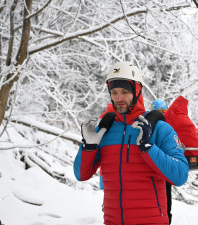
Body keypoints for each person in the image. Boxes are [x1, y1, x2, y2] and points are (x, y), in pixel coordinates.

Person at [73, 61, 189, 225]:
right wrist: (89, 147)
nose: (118, 98)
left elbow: (180, 175)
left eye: (125, 92)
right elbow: (81, 175)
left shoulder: (160, 128)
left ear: (137, 91)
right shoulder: (105, 130)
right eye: (113, 92)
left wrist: (148, 148)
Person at [150, 99, 172, 224]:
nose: (160, 115)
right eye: (157, 112)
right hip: (152, 174)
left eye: (162, 112)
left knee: (166, 205)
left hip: (165, 173)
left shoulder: (169, 128)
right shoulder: (147, 128)